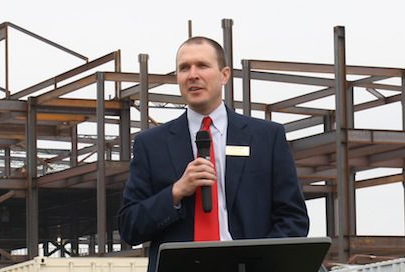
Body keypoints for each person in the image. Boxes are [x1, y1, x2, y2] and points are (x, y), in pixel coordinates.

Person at [117, 36, 309, 272]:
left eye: (202, 66)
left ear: (224, 74)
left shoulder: (266, 138)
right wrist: (175, 193)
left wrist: (261, 263)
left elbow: (293, 219)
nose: (192, 75)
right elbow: (129, 226)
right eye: (184, 68)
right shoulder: (151, 144)